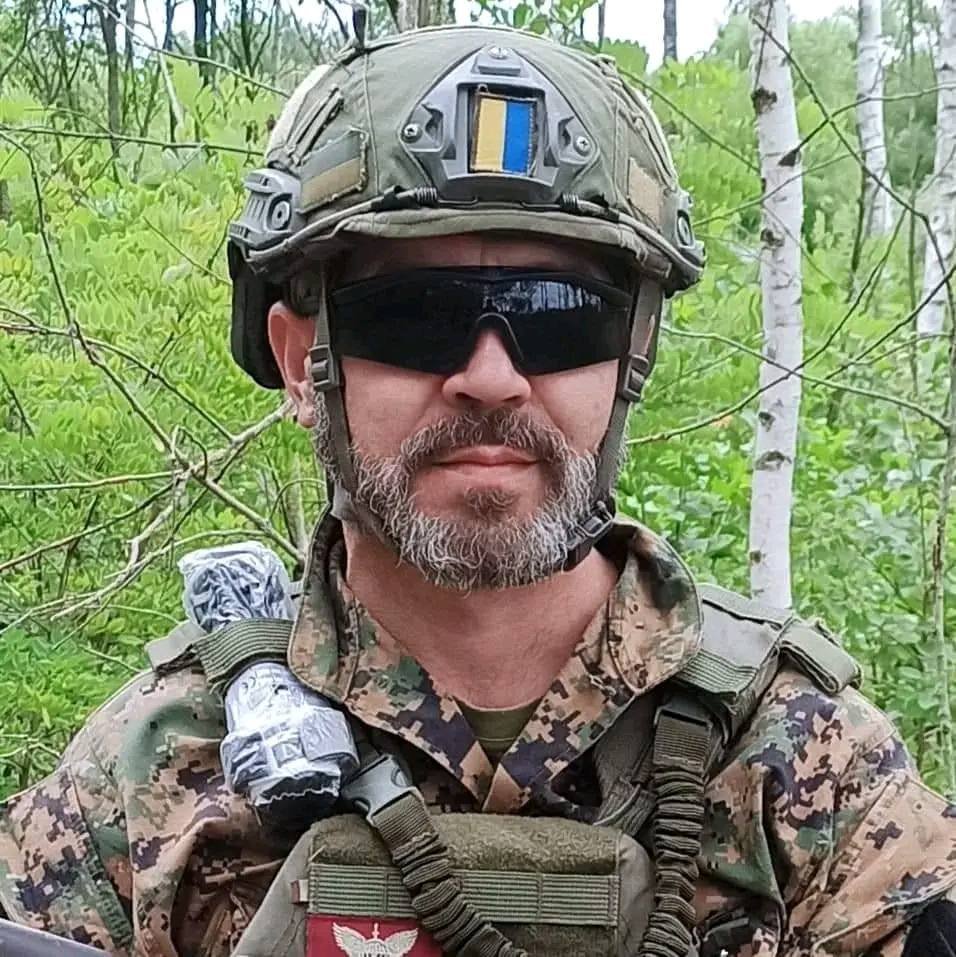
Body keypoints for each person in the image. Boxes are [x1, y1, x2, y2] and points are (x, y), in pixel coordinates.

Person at [2, 20, 956, 957]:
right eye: (415, 314)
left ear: (633, 353)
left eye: (560, 313)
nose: (492, 377)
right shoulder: (150, 777)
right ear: (301, 362)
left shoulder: (806, 761)